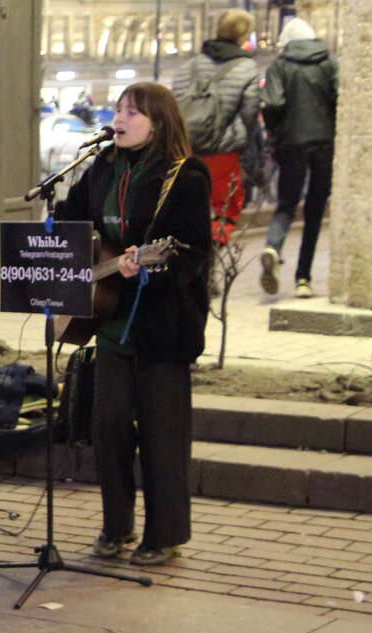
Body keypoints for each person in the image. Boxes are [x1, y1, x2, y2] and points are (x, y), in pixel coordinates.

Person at [55, 82, 212, 567]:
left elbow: (193, 252)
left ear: (158, 122)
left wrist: (145, 262)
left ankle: (164, 535)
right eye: (118, 110)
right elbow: (68, 217)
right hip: (111, 321)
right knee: (109, 427)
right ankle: (115, 526)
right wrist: (95, 252)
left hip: (163, 325)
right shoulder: (103, 166)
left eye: (131, 112)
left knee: (162, 435)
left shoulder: (186, 175)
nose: (119, 119)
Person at [258, 17, 339, 299]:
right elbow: (340, 95)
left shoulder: (280, 65)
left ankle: (273, 247)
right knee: (316, 210)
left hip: (292, 143)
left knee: (286, 204)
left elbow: (273, 103)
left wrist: (274, 130)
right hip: (324, 143)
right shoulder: (329, 61)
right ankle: (303, 279)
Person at [171, 8, 260, 245]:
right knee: (225, 208)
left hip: (186, 150)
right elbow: (250, 112)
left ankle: (185, 254)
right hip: (223, 149)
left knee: (187, 204)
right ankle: (212, 258)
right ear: (243, 35)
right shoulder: (246, 68)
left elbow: (176, 104)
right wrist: (239, 140)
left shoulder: (188, 67)